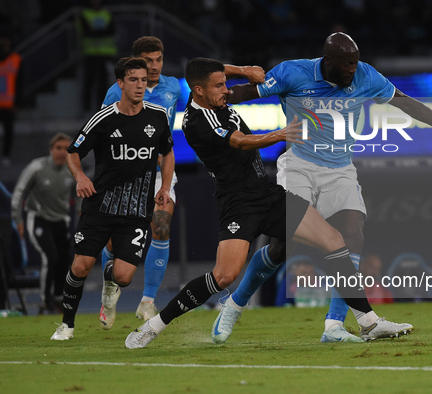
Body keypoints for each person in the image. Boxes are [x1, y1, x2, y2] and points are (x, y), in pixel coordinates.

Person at [124, 57, 413, 349]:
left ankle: (368, 322)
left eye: (225, 84)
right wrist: (279, 135)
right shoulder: (198, 122)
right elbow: (239, 141)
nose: (226, 90)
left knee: (334, 239)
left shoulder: (212, 96)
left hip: (267, 193)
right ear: (198, 91)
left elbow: (216, 70)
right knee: (224, 275)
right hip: (238, 203)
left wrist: (244, 71)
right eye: (219, 87)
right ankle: (154, 325)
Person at [226, 32, 432, 342]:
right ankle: (235, 304)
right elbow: (245, 93)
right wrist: (215, 99)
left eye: (354, 64)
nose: (352, 71)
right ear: (327, 61)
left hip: (339, 168)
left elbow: (406, 104)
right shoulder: (293, 72)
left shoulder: (365, 75)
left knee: (352, 230)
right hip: (299, 165)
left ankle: (335, 326)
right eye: (346, 65)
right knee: (281, 246)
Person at [99, 36, 266, 327]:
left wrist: (244, 69)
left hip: (161, 168)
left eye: (159, 59)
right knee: (114, 242)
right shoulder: (116, 92)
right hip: (124, 172)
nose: (154, 66)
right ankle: (109, 288)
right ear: (136, 61)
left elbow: (208, 75)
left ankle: (148, 302)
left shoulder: (173, 86)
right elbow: (102, 132)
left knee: (161, 227)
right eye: (148, 61)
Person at [50, 57, 174, 340]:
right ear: (120, 83)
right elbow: (73, 152)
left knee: (124, 277)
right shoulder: (104, 118)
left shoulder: (157, 116)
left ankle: (110, 274)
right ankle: (67, 324)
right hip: (100, 206)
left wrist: (165, 187)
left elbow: (167, 153)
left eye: (144, 80)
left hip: (137, 212)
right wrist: (81, 177)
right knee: (80, 266)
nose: (140, 85)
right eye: (134, 80)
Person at [10, 133, 75, 314]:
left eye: (66, 148)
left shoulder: (72, 168)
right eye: (58, 148)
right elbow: (18, 192)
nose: (62, 152)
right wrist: (18, 220)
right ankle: (45, 301)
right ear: (51, 150)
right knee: (50, 257)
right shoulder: (37, 167)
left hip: (61, 221)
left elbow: (81, 196)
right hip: (38, 218)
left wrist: (82, 217)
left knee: (64, 259)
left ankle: (57, 298)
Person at [79, 0, 117, 112]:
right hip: (90, 53)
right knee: (89, 81)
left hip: (105, 53)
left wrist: (95, 31)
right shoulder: (85, 14)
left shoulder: (107, 13)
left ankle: (101, 108)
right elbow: (86, 32)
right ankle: (86, 109)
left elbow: (111, 31)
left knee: (103, 82)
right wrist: (101, 31)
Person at [0, 34, 22, 167]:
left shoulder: (15, 59)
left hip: (8, 104)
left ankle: (6, 156)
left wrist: (18, 103)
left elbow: (20, 82)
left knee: (8, 132)